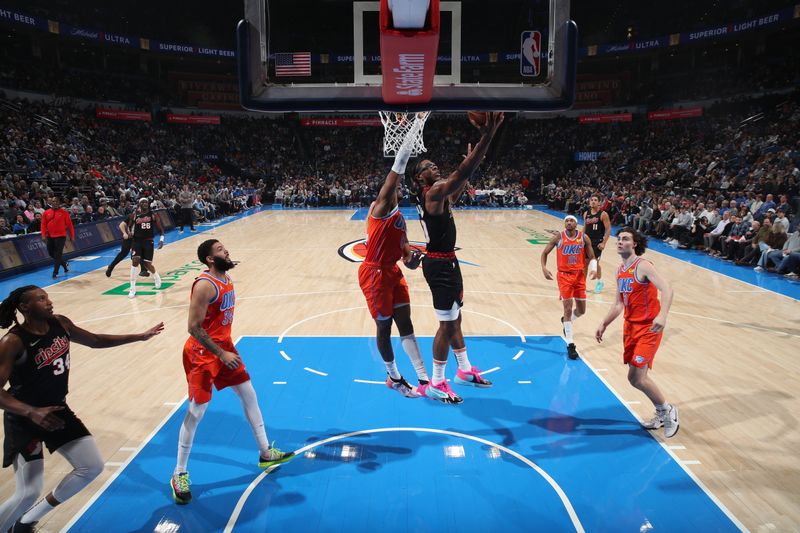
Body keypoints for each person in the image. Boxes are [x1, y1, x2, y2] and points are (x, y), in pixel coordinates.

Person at [0, 285, 163, 532]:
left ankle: (25, 522)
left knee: (91, 466)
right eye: (41, 299)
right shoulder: (13, 341)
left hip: (56, 410)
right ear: (24, 307)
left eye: (48, 297)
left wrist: (138, 336)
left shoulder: (60, 324)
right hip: (24, 417)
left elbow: (95, 340)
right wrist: (31, 412)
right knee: (27, 492)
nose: (49, 302)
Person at [171, 239, 293, 505]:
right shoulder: (205, 285)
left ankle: (265, 452)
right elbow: (193, 327)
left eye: (225, 248)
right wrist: (221, 353)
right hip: (202, 354)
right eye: (220, 250)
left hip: (223, 347)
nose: (226, 251)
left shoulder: (225, 277)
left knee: (248, 394)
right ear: (209, 260)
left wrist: (225, 349)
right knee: (197, 411)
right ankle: (179, 473)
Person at [409, 112, 504, 404]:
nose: (434, 167)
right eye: (428, 166)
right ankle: (436, 381)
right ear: (419, 177)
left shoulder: (439, 195)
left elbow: (459, 186)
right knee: (446, 325)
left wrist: (471, 167)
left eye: (435, 165)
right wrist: (486, 138)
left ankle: (463, 370)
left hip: (446, 261)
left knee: (456, 318)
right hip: (439, 265)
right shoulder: (432, 192)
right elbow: (460, 174)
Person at [357, 121, 429, 398]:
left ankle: (424, 379)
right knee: (384, 326)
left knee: (406, 324)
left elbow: (406, 254)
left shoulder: (399, 219)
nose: (397, 189)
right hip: (373, 273)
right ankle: (394, 377)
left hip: (392, 272)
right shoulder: (382, 206)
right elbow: (397, 169)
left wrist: (415, 260)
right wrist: (411, 134)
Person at [595, 227, 679, 438]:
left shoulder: (643, 266)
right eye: (619, 239)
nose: (620, 242)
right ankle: (660, 412)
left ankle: (668, 410)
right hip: (630, 327)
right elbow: (618, 304)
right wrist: (604, 323)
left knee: (638, 376)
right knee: (634, 379)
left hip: (649, 327)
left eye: (625, 239)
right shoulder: (620, 270)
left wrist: (663, 315)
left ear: (634, 244)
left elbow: (667, 288)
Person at [540, 215, 597, 360]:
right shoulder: (559, 237)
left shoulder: (584, 238)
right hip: (564, 276)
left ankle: (566, 321)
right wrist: (544, 268)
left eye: (571, 221)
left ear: (576, 224)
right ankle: (570, 345)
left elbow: (592, 256)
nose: (568, 222)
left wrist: (594, 268)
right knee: (567, 307)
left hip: (579, 276)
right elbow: (545, 252)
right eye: (566, 221)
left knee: (581, 311)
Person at [128, 198, 164, 299]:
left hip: (148, 241)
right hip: (137, 241)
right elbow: (129, 226)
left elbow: (161, 229)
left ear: (148, 204)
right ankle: (132, 288)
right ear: (139, 204)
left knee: (147, 264)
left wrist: (161, 239)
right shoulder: (134, 215)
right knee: (135, 260)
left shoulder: (153, 215)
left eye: (146, 202)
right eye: (142, 202)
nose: (144, 203)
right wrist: (129, 232)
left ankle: (156, 277)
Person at [40, 197, 74, 280]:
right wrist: (43, 235)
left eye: (56, 201)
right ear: (51, 202)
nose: (54, 202)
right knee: (51, 253)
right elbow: (43, 225)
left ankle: (55, 272)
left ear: (59, 202)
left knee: (58, 254)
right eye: (53, 201)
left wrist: (72, 236)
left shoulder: (64, 213)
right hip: (50, 236)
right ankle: (64, 264)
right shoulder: (46, 213)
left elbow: (70, 225)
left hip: (61, 236)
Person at [582, 195, 611, 292]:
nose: (593, 202)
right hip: (587, 241)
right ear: (589, 202)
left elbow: (608, 229)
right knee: (585, 263)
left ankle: (600, 282)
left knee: (594, 262)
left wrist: (604, 243)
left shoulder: (603, 214)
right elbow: (585, 227)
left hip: (597, 242)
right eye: (592, 200)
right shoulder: (586, 213)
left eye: (595, 200)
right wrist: (580, 238)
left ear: (599, 203)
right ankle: (583, 285)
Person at [105, 213, 147, 278]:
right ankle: (111, 266)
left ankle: (143, 270)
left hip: (137, 239)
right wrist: (124, 233)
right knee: (123, 254)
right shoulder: (132, 216)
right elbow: (121, 225)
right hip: (129, 238)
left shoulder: (146, 218)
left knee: (138, 253)